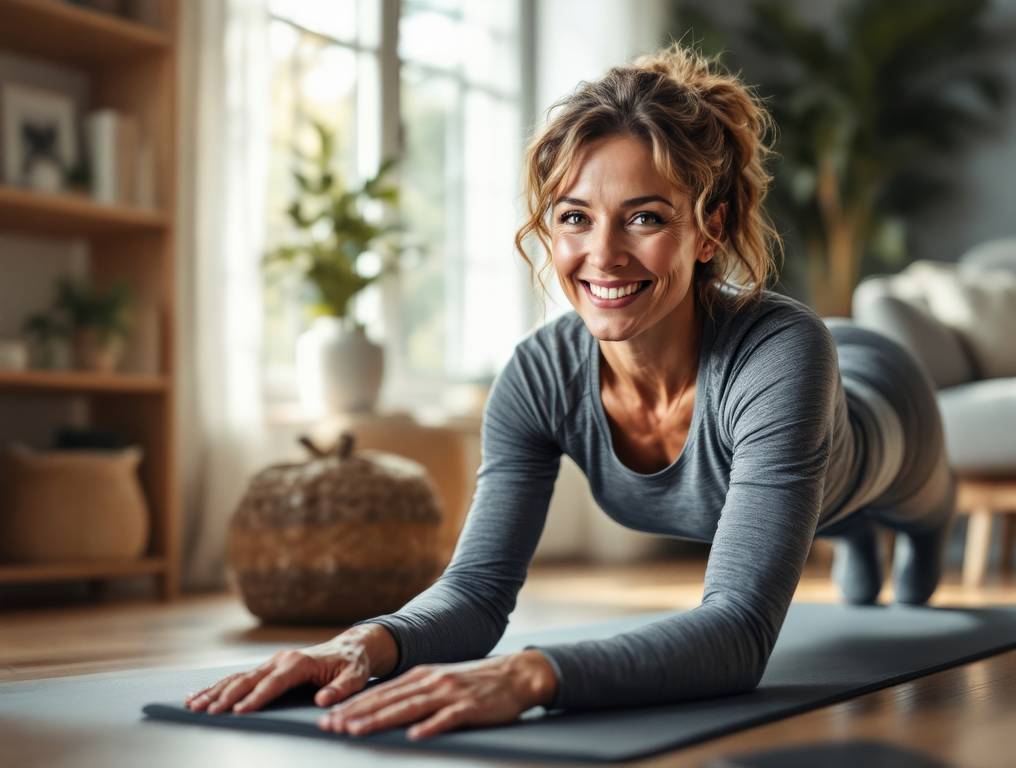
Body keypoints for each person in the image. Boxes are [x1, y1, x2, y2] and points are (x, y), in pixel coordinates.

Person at [184, 42, 956, 741]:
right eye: (575, 218)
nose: (604, 257)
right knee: (839, 541)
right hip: (808, 446)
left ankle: (881, 534)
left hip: (884, 403)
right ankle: (855, 540)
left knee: (915, 542)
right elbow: (478, 591)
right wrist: (363, 642)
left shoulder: (780, 350)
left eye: (645, 218)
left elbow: (741, 630)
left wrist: (534, 674)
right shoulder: (537, 377)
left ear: (708, 230)